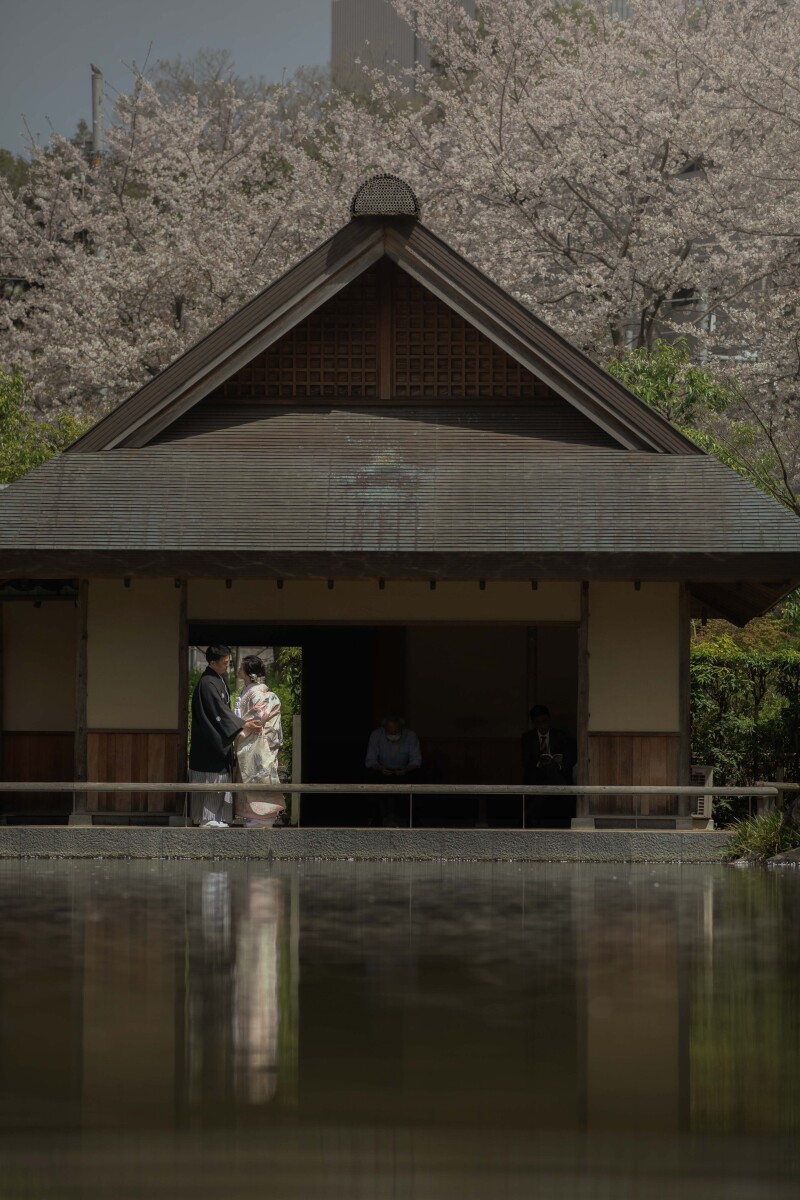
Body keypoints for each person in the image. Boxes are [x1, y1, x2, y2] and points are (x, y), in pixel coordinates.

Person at [189, 645, 261, 828]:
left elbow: (222, 712)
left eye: (229, 663)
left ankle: (212, 817)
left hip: (214, 738)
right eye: (225, 663)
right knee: (213, 777)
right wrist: (243, 724)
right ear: (212, 663)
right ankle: (207, 818)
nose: (227, 667)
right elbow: (219, 712)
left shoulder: (216, 680)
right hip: (210, 741)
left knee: (216, 778)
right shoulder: (207, 682)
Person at [233, 655, 286, 827]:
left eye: (242, 667)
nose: (238, 669)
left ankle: (263, 817)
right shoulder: (250, 689)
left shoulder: (256, 691)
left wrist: (241, 724)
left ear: (248, 673)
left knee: (259, 775)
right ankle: (254, 816)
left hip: (256, 739)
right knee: (251, 776)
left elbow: (259, 716)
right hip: (250, 739)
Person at [521, 705, 577, 826]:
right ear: (533, 723)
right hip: (538, 774)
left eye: (545, 721)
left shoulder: (561, 735)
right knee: (549, 773)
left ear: (549, 720)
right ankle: (569, 806)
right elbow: (526, 762)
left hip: (558, 772)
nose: (542, 725)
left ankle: (529, 817)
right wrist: (540, 763)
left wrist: (559, 765)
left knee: (551, 771)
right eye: (538, 722)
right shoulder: (527, 738)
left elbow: (570, 758)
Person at [365, 715, 422, 826]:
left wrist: (406, 769)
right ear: (385, 728)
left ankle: (413, 820)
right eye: (390, 731)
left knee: (418, 777)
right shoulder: (376, 735)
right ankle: (376, 819)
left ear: (401, 727)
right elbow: (370, 760)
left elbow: (416, 760)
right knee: (370, 777)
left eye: (396, 731)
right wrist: (381, 768)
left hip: (405, 771)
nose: (393, 733)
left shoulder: (410, 735)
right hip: (382, 771)